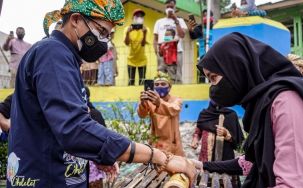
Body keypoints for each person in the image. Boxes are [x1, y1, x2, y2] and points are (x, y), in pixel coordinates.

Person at [7, 1, 196, 187]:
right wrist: (158, 156)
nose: (104, 41)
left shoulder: (65, 57)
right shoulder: (52, 53)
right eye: (102, 32)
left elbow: (62, 124)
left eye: (109, 35)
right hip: (45, 180)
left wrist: (97, 152)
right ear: (75, 20)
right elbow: (74, 128)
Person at [196, 32, 303, 187]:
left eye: (214, 78)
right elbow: (256, 161)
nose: (212, 88)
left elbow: (293, 183)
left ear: (237, 66)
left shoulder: (286, 102)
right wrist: (202, 165)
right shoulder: (264, 103)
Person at [137, 72, 184, 156]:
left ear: (169, 87)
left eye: (163, 84)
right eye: (157, 84)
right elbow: (142, 115)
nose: (160, 86)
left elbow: (174, 109)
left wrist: (159, 103)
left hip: (172, 143)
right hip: (156, 142)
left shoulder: (177, 100)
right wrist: (143, 103)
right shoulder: (150, 101)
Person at [154, 0, 188, 84]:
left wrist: (175, 20)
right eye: (167, 7)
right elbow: (155, 38)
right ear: (165, 8)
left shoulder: (180, 21)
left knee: (177, 76)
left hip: (176, 52)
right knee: (161, 76)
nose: (169, 9)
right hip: (162, 53)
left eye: (171, 7)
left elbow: (182, 35)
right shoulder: (159, 22)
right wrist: (157, 52)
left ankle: (178, 95)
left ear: (175, 8)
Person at [124, 9, 148, 86]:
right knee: (131, 81)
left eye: (141, 16)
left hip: (142, 60)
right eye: (137, 16)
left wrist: (144, 33)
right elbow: (127, 43)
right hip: (131, 60)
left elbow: (143, 44)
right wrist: (128, 33)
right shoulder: (127, 29)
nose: (139, 18)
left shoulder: (146, 29)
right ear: (133, 18)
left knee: (142, 82)